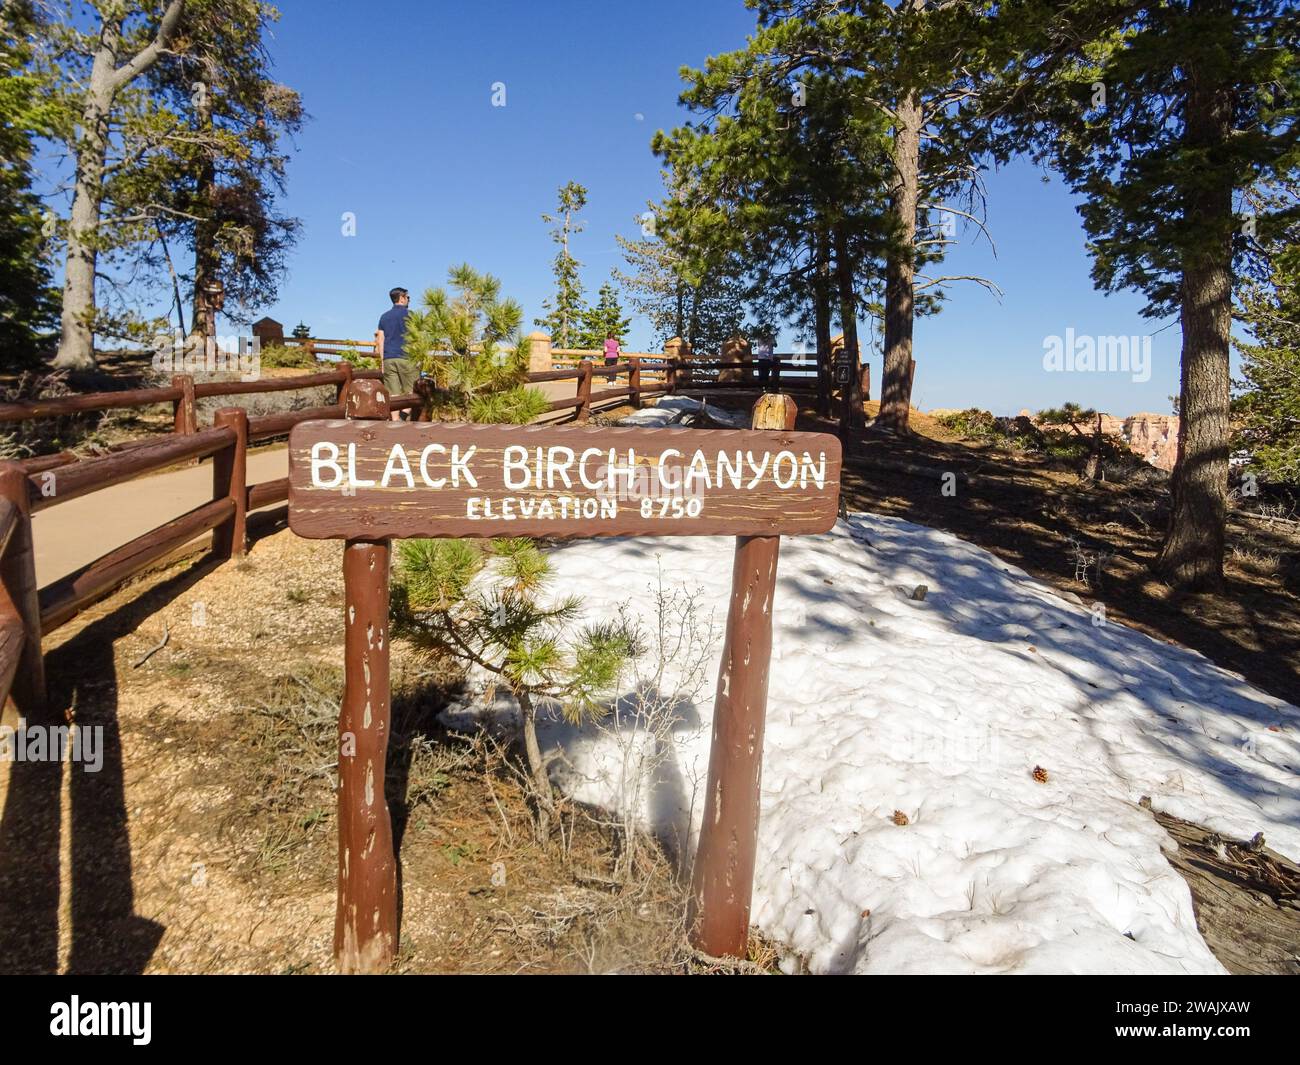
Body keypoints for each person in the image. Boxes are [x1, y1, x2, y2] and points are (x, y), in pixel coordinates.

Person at [375, 287, 417, 421]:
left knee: (393, 394)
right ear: (402, 298)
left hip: (389, 358)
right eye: (408, 297)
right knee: (411, 392)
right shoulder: (411, 316)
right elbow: (417, 338)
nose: (409, 300)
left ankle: (395, 422)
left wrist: (382, 360)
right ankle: (403, 418)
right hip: (407, 358)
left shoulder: (384, 317)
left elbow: (380, 340)